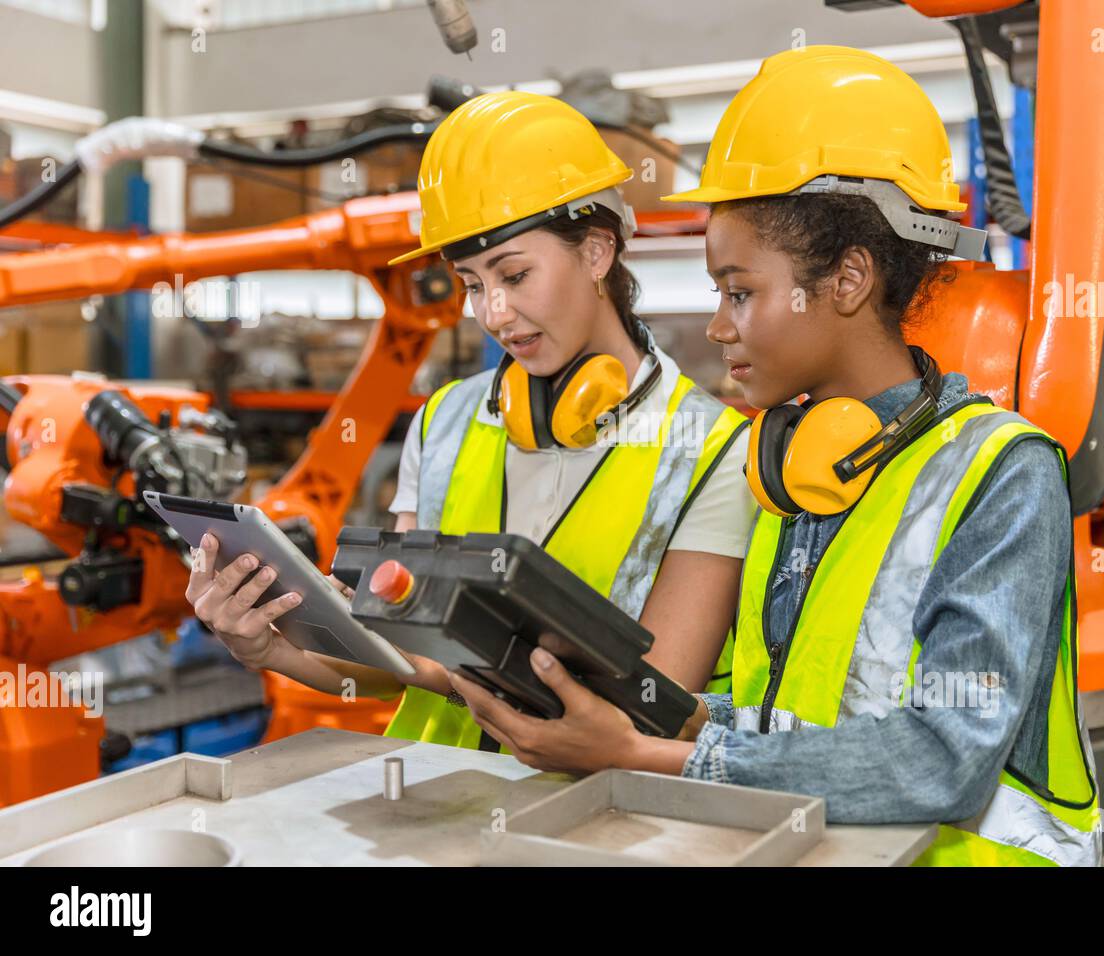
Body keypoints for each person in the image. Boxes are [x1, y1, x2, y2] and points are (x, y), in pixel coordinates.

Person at [446, 46, 1102, 866]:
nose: (719, 327)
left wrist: (647, 755)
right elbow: (800, 722)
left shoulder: (1002, 473)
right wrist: (661, 717)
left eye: (740, 291)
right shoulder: (792, 471)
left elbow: (943, 760)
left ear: (847, 279)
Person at [186, 90, 756, 753]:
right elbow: (394, 658)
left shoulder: (711, 451)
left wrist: (447, 664)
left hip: (602, 830)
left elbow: (650, 707)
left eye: (514, 275)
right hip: (435, 809)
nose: (492, 313)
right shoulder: (447, 421)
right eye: (471, 284)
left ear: (598, 252)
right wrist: (271, 648)